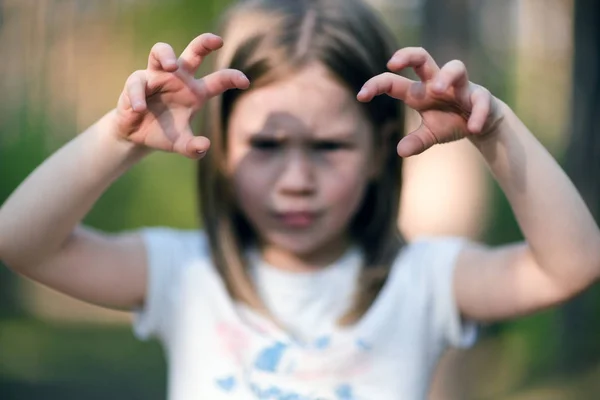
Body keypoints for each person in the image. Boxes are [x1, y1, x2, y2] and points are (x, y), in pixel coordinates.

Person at [1, 0, 599, 398]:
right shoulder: (183, 276)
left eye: (330, 146)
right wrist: (118, 139)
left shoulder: (426, 281)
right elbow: (20, 241)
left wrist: (494, 133)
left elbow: (571, 265)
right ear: (226, 146)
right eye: (266, 144)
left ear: (377, 151)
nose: (296, 178)